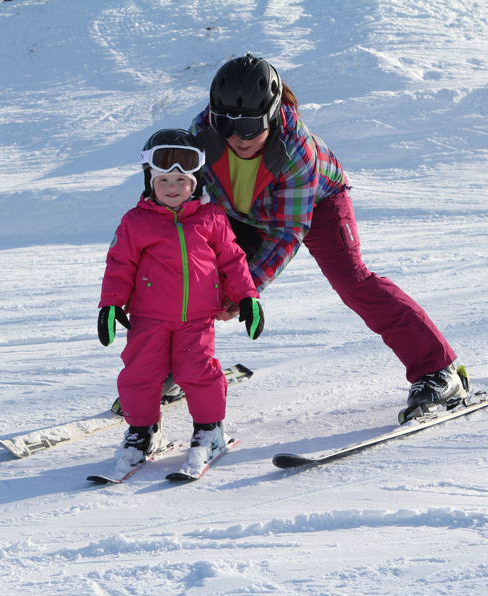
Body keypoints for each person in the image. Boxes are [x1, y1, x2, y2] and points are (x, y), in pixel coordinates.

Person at [189, 54, 467, 411]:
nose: (237, 137)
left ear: (272, 115)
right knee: (194, 273)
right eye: (226, 123)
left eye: (250, 125)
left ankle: (438, 370)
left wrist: (246, 290)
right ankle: (181, 363)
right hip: (243, 211)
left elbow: (288, 231)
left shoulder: (294, 148)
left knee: (354, 283)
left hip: (318, 205)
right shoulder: (203, 133)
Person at [98, 129, 265, 475]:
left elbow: (233, 260)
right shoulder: (135, 222)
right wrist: (111, 304)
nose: (172, 187)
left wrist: (247, 297)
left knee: (198, 373)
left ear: (196, 182)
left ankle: (210, 430)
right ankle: (143, 432)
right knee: (140, 374)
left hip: (197, 319)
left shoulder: (211, 218)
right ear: (149, 181)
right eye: (163, 180)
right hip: (148, 317)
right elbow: (119, 264)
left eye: (181, 180)